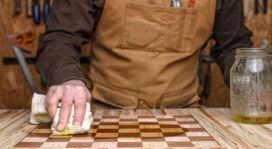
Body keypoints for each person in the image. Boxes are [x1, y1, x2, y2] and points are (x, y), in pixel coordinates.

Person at [36, 0, 252, 131]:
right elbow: (60, 37)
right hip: (107, 116)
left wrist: (253, 87)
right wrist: (68, 78)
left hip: (186, 117)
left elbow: (233, 44)